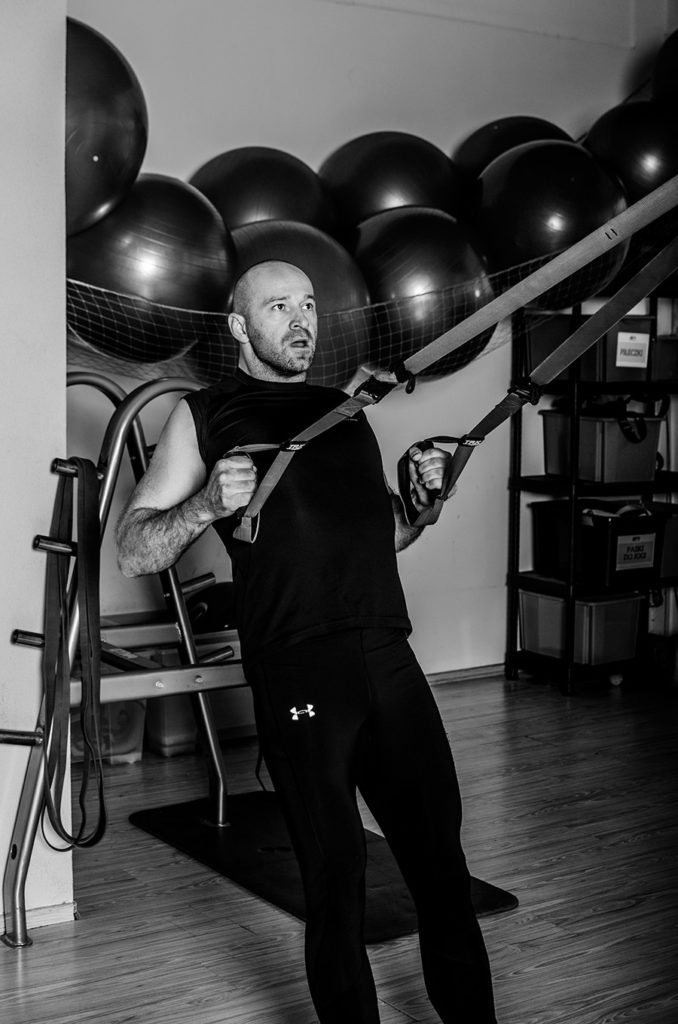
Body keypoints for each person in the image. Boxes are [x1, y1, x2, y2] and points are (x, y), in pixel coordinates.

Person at [116, 260, 497, 1024]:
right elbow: (133, 549)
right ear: (238, 326)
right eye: (279, 307)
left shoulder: (345, 411)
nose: (302, 321)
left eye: (310, 305)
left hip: (387, 658)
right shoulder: (205, 412)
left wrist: (421, 499)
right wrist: (203, 505)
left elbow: (388, 534)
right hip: (298, 669)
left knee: (441, 865)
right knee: (336, 876)